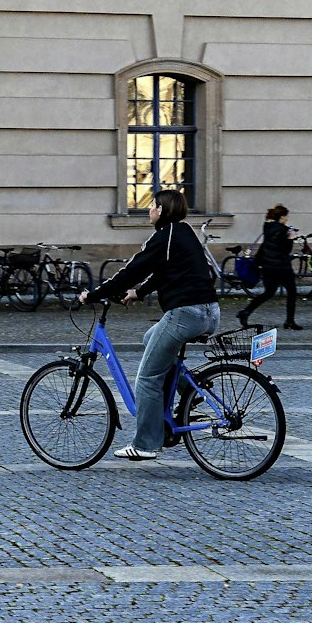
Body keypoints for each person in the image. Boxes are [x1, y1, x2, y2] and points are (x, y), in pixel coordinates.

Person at [80, 188, 220, 462]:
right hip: (210, 312)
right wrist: (138, 293)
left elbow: (134, 269)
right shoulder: (184, 232)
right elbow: (164, 271)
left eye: (152, 206)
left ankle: (145, 444)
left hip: (184, 313)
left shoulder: (163, 236)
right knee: (150, 337)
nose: (149, 210)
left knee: (146, 379)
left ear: (162, 210)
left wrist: (93, 295)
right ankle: (188, 388)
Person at [239, 204, 303, 331]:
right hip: (282, 267)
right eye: (286, 216)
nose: (288, 218)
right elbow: (285, 249)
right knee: (292, 292)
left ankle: (246, 312)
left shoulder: (268, 228)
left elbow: (265, 246)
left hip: (268, 267)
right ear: (282, 217)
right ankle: (290, 321)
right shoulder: (283, 230)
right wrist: (291, 238)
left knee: (268, 293)